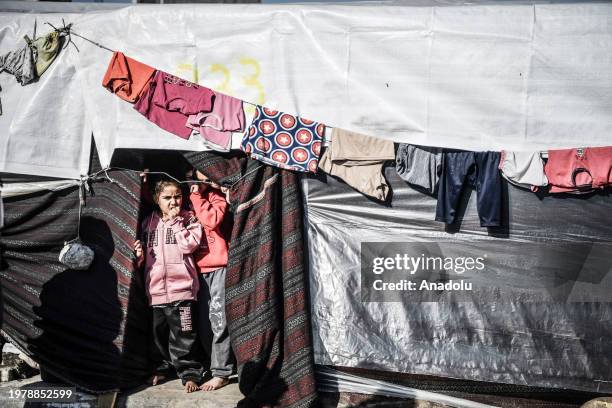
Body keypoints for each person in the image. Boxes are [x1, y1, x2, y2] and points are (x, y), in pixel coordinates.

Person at [134, 179, 205, 393]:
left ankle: (190, 372)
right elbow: (145, 258)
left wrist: (175, 223)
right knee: (158, 335)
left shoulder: (189, 219)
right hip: (155, 291)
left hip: (182, 289)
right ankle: (162, 368)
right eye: (167, 197)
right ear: (157, 199)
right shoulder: (148, 223)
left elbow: (189, 245)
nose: (173, 201)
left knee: (184, 333)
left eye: (177, 196)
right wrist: (138, 257)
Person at [188, 169, 234, 391]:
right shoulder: (184, 198)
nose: (203, 181)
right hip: (192, 270)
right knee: (201, 324)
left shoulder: (215, 197)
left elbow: (212, 219)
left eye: (207, 177)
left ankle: (222, 371)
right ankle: (209, 364)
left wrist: (198, 196)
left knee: (218, 320)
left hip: (217, 267)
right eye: (199, 177)